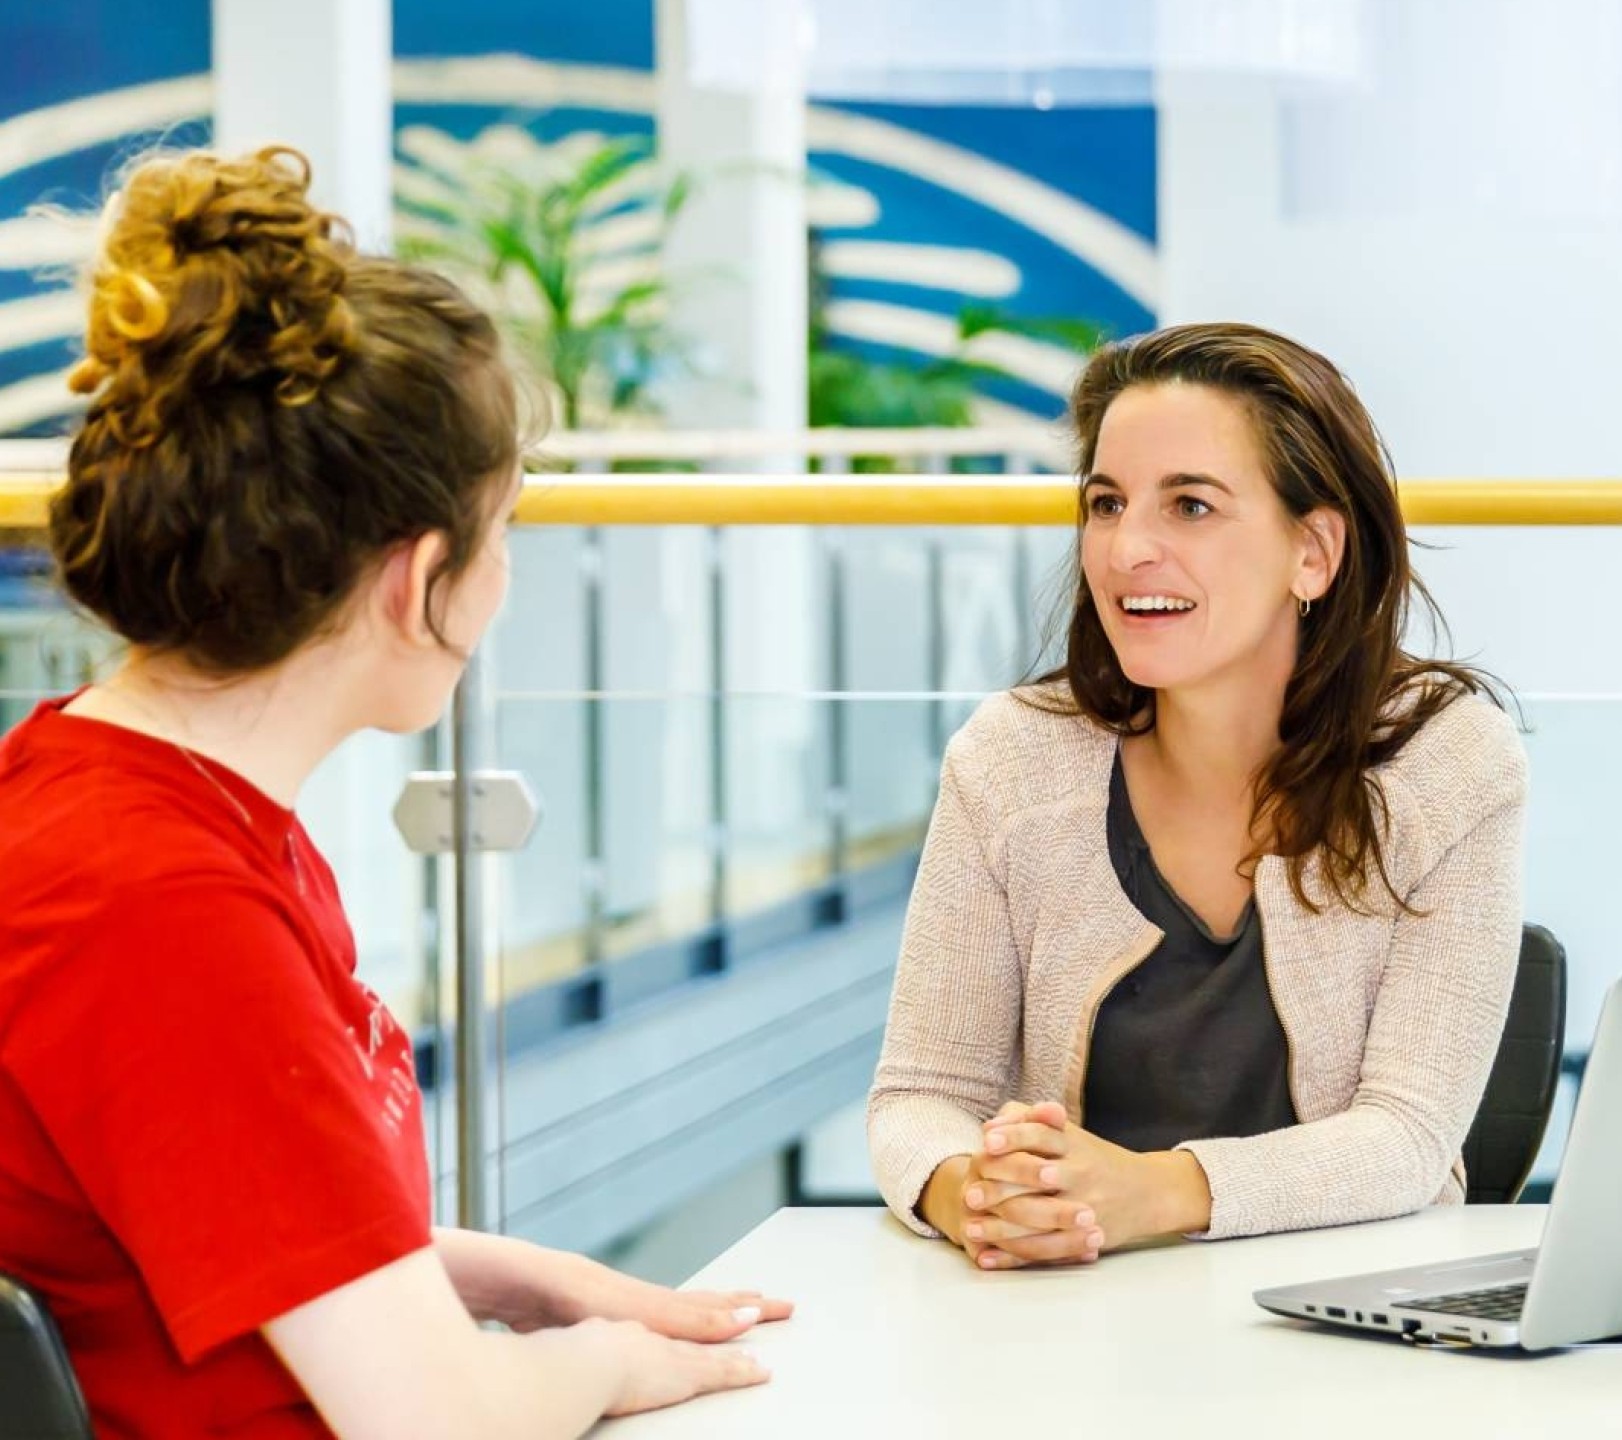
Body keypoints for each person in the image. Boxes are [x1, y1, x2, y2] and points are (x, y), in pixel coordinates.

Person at [0, 147, 786, 1437]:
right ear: (416, 579)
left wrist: (507, 1276)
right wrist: (606, 1364)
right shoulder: (160, 904)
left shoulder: (116, 805)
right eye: (505, 532)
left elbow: (190, 1230)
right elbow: (437, 1422)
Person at [868, 322, 1528, 1269]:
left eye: (1190, 506)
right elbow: (920, 1093)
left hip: (1352, 1314)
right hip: (1064, 1320)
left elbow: (1409, 1136)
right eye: (1107, 502)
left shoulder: (1446, 761)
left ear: (1314, 553)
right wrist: (975, 1191)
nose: (1127, 548)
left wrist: (1156, 1192)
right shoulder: (1011, 761)